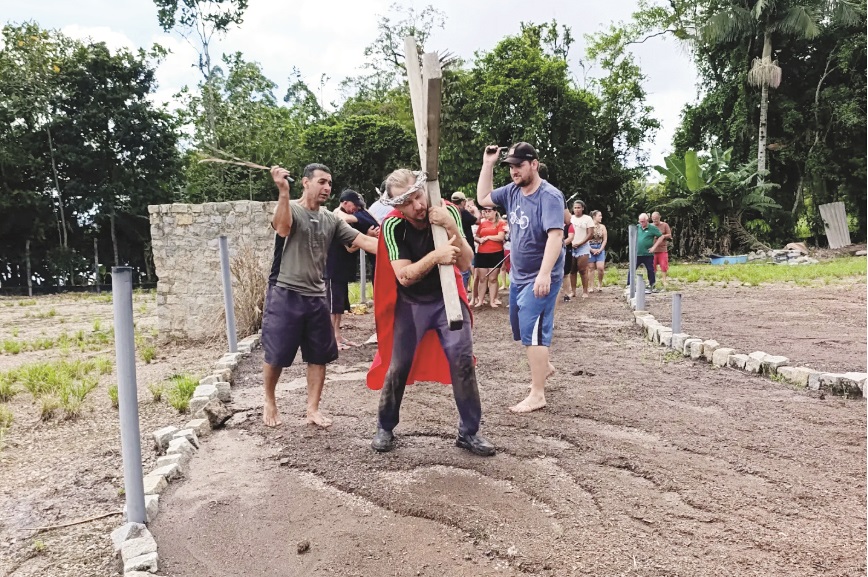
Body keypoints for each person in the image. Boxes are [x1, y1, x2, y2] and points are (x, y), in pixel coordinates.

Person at [366, 168, 495, 456]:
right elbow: (404, 276)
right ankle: (385, 426)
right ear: (397, 205)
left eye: (418, 196)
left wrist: (451, 227)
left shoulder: (447, 210)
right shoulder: (392, 226)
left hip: (447, 297)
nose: (418, 206)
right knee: (398, 365)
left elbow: (466, 264)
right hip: (410, 304)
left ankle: (469, 432)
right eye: (407, 202)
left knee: (462, 361)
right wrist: (436, 257)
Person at [261, 164, 378, 428]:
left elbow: (364, 242)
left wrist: (405, 254)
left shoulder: (331, 219)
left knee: (319, 355)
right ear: (305, 182)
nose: (327, 188)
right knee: (276, 353)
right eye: (322, 182)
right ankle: (269, 399)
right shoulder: (291, 209)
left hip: (316, 295)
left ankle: (312, 409)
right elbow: (282, 228)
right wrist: (282, 191)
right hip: (286, 291)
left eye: (329, 184)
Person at [477, 142, 565, 413]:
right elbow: (483, 199)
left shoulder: (549, 196)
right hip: (519, 275)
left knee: (532, 331)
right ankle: (544, 367)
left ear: (534, 164)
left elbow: (556, 236)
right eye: (511, 166)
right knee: (519, 325)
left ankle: (537, 393)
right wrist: (488, 164)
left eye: (519, 165)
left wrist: (544, 274)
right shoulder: (512, 192)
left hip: (540, 276)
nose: (514, 171)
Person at [328, 189, 380, 350]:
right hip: (332, 267)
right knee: (332, 306)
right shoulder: (337, 219)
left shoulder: (351, 219)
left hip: (343, 268)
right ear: (344, 203)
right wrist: (368, 237)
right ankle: (331, 340)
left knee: (339, 306)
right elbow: (350, 248)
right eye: (354, 205)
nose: (356, 209)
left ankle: (337, 335)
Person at [472, 206, 507, 308]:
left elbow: (500, 237)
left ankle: (492, 300)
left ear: (495, 212)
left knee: (493, 278)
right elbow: (476, 236)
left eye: (489, 211)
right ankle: (480, 300)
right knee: (482, 278)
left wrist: (487, 237)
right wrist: (479, 240)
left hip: (495, 252)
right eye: (485, 211)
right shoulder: (482, 223)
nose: (487, 213)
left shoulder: (500, 223)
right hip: (482, 252)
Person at [451, 191, 478, 291]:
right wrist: (475, 210)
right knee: (466, 271)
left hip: (453, 245)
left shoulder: (449, 211)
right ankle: (465, 294)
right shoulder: (463, 212)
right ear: (463, 202)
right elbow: (478, 221)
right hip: (465, 245)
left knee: (459, 271)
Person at [569, 200, 594, 299]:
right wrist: (570, 243)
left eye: (579, 207)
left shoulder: (587, 219)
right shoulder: (570, 219)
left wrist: (580, 243)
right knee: (572, 269)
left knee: (582, 269)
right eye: (575, 208)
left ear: (583, 208)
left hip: (583, 246)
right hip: (571, 245)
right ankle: (573, 291)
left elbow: (590, 234)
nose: (577, 209)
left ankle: (585, 291)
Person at [635, 212, 663, 293]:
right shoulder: (637, 227)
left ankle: (652, 285)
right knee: (632, 269)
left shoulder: (652, 228)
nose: (641, 223)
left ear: (647, 220)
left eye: (643, 221)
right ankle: (629, 284)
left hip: (647, 253)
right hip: (637, 253)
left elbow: (661, 237)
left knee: (650, 269)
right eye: (640, 221)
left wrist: (654, 247)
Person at [651, 211, 672, 289]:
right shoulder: (650, 226)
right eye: (653, 219)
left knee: (663, 265)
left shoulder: (665, 225)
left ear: (659, 217)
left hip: (662, 249)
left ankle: (664, 280)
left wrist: (662, 236)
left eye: (656, 219)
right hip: (653, 250)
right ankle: (653, 281)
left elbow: (669, 235)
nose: (655, 221)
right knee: (652, 266)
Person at [588, 210, 607, 292]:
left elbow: (605, 239)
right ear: (594, 216)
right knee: (591, 268)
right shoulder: (588, 226)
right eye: (599, 216)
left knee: (600, 268)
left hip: (600, 247)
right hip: (590, 247)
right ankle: (591, 286)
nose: (601, 217)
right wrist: (591, 249)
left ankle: (600, 284)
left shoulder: (602, 227)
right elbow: (585, 239)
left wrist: (600, 249)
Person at [560, 221, 575, 302]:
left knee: (566, 273)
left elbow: (570, 238)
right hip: (552, 250)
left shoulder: (569, 225)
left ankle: (566, 294)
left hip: (566, 250)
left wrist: (558, 244)